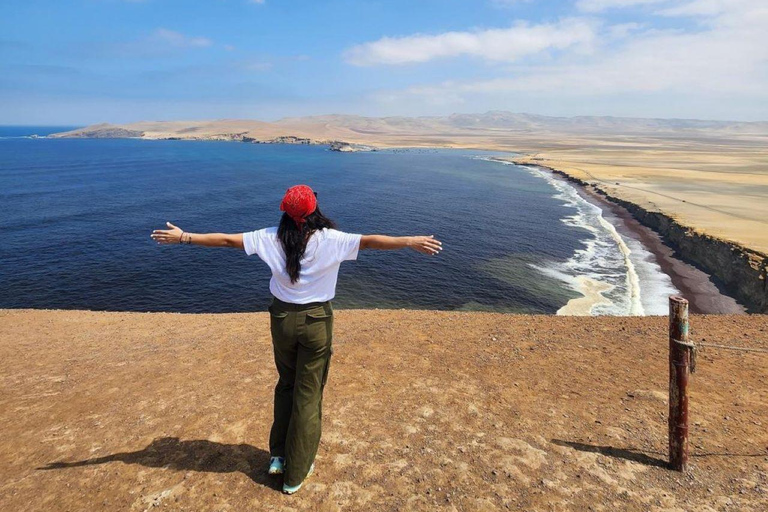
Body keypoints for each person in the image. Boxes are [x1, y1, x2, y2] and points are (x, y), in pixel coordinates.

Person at [150, 184, 442, 494]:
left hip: (282, 320)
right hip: (316, 322)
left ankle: (278, 455)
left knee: (286, 383)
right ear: (315, 209)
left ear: (286, 214)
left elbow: (224, 239)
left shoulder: (268, 237)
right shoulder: (333, 240)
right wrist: (409, 241)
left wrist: (183, 237)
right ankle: (295, 474)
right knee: (308, 393)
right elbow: (371, 242)